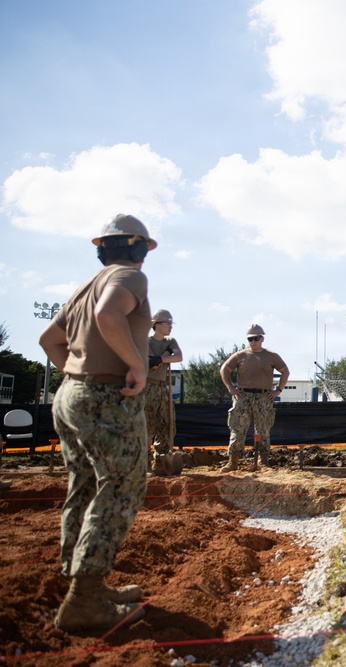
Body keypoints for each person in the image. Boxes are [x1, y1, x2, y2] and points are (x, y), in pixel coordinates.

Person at [38, 214, 155, 634]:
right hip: (107, 398)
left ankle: (84, 586)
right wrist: (135, 364)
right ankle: (85, 600)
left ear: (101, 248)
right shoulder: (129, 278)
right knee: (121, 485)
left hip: (70, 395)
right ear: (140, 249)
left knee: (85, 484)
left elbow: (49, 341)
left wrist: (78, 375)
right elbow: (110, 316)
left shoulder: (84, 287)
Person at [219, 324, 289, 471]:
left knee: (263, 429)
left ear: (262, 338)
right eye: (250, 339)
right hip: (243, 396)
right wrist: (230, 388)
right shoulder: (240, 355)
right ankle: (233, 461)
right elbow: (224, 369)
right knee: (237, 429)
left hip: (264, 397)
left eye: (256, 338)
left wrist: (278, 390)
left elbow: (285, 371)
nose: (253, 342)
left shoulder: (271, 356)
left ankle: (263, 461)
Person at [145, 309, 183, 476]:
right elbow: (151, 364)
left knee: (167, 425)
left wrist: (162, 358)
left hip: (162, 388)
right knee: (146, 426)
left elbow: (179, 357)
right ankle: (144, 464)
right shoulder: (145, 341)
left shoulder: (171, 340)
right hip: (146, 387)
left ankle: (161, 462)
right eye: (167, 324)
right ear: (157, 325)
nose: (170, 327)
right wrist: (165, 355)